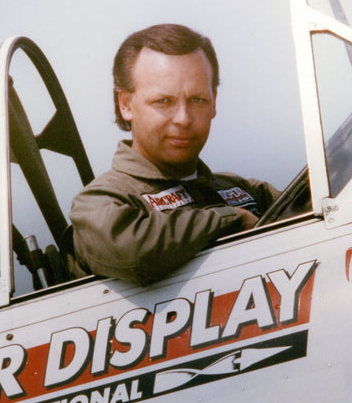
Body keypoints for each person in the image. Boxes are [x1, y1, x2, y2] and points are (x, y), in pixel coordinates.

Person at [69, 23, 279, 285]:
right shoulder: (100, 203)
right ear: (126, 104)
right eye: (163, 101)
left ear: (214, 100)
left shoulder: (248, 192)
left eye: (197, 100)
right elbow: (132, 250)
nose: (183, 119)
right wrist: (229, 219)